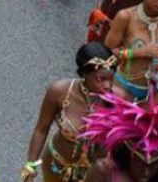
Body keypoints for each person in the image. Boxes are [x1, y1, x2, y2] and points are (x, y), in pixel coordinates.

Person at [22, 43, 116, 182]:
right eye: (101, 79)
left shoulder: (116, 102)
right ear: (84, 73)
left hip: (92, 173)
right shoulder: (60, 91)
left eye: (111, 78)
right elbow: (42, 128)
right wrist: (30, 165)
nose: (107, 85)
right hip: (56, 165)